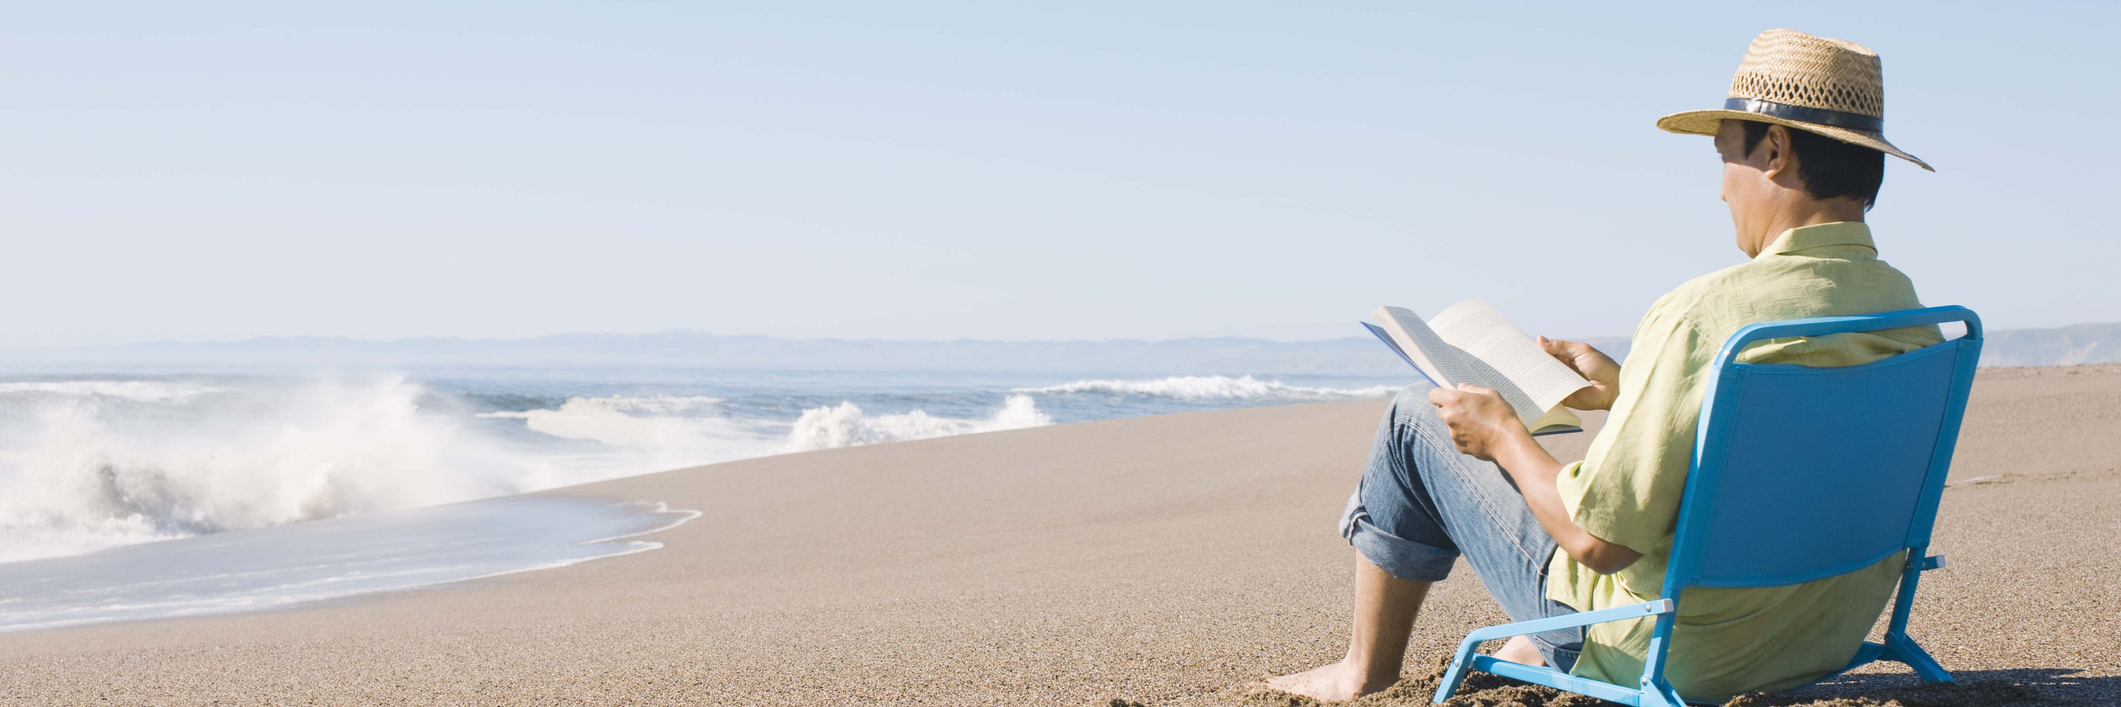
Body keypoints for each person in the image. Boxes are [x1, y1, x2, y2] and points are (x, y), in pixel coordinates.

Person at [1266, 29, 1946, 703]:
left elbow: (1599, 542)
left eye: (1722, 161)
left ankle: (1362, 672)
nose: (1719, 193)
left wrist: (1502, 431)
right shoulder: (1907, 314)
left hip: (1669, 651)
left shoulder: (1704, 314)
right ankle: (1522, 644)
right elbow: (1780, 457)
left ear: (1773, 150)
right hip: (1814, 637)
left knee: (1413, 418)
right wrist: (1628, 389)